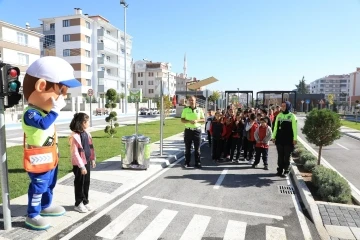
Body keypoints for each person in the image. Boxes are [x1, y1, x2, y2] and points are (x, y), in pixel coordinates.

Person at [22, 56, 82, 230]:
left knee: (50, 184)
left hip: (50, 156)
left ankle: (45, 206)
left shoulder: (43, 111)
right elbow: (44, 124)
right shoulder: (31, 113)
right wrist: (55, 110)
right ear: (41, 86)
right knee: (39, 185)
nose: (63, 96)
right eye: (61, 91)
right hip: (38, 158)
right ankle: (32, 214)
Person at [69, 113, 96, 213]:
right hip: (79, 165)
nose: (88, 123)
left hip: (87, 162)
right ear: (82, 123)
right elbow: (75, 153)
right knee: (79, 183)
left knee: (86, 182)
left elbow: (90, 148)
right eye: (87, 121)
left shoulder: (87, 133)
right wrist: (81, 166)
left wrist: (92, 159)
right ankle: (78, 203)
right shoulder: (74, 136)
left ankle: (85, 201)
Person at [272, 101, 298, 177]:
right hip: (279, 139)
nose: (283, 107)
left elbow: (295, 129)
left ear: (288, 106)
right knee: (280, 156)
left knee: (287, 156)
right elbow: (275, 127)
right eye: (282, 106)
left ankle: (286, 170)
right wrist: (273, 137)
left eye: (284, 106)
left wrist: (295, 139)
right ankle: (279, 170)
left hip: (288, 140)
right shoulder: (279, 115)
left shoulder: (292, 116)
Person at [181, 96, 205, 168]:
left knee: (197, 149)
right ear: (188, 101)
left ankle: (198, 162)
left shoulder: (199, 110)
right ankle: (187, 163)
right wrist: (189, 121)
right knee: (187, 148)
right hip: (188, 130)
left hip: (197, 131)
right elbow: (182, 120)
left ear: (195, 101)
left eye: (193, 100)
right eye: (190, 100)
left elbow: (203, 119)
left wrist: (197, 120)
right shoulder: (185, 110)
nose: (191, 101)